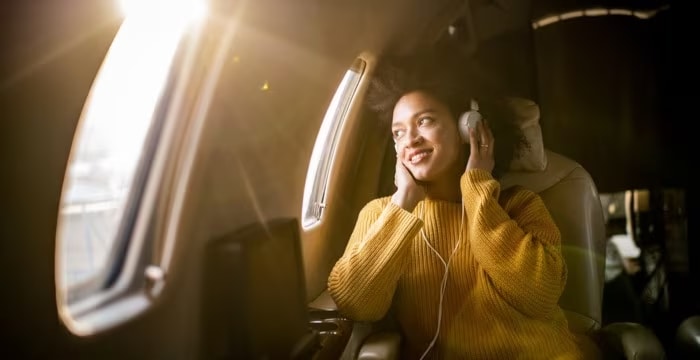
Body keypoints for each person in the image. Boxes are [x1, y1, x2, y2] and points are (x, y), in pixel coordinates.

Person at [327, 45, 584, 359]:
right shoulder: (383, 214)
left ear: (468, 128)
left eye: (425, 122)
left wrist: (477, 189)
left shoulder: (519, 205)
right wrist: (405, 201)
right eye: (398, 132)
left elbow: (539, 296)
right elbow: (355, 303)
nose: (410, 139)